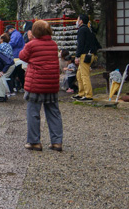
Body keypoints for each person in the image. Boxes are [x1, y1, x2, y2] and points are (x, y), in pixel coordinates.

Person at [19, 20, 63, 152]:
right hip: (51, 83)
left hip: (36, 83)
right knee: (54, 112)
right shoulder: (54, 44)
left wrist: (29, 40)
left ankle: (34, 142)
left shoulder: (31, 45)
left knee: (33, 113)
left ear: (34, 31)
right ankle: (57, 142)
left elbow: (22, 56)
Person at [73, 14, 99, 101]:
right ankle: (81, 93)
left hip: (85, 55)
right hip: (90, 54)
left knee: (84, 75)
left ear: (81, 21)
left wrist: (77, 56)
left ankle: (88, 95)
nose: (77, 21)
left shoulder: (82, 30)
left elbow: (80, 44)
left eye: (78, 19)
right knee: (79, 74)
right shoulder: (88, 29)